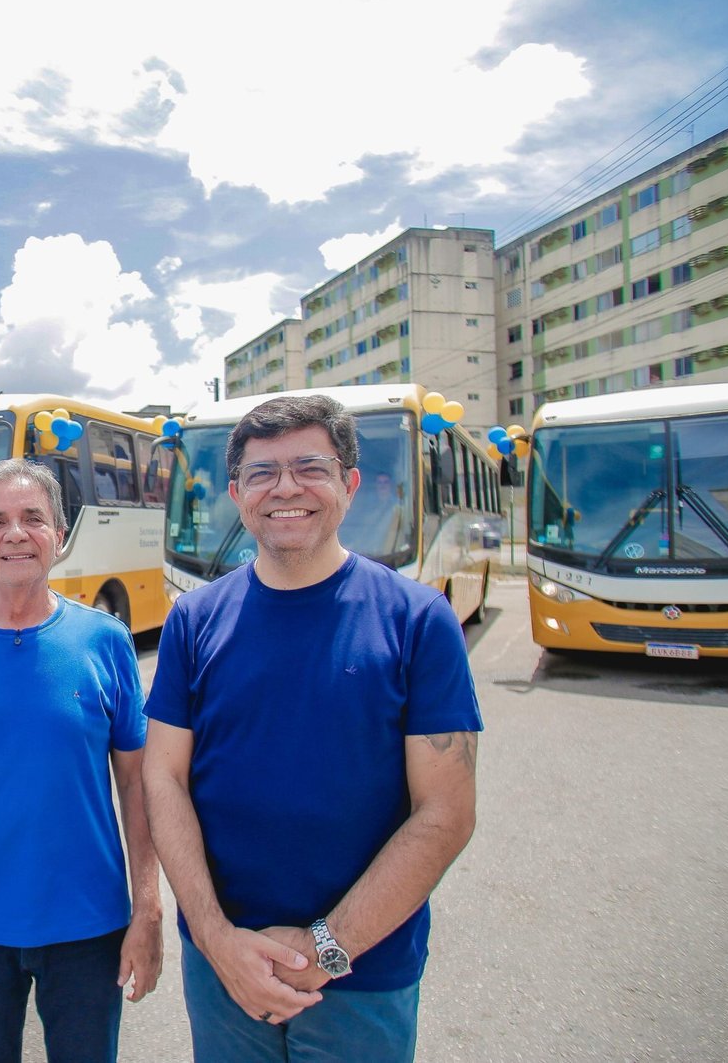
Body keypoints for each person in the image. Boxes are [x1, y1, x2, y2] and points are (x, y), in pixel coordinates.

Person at [142, 394, 481, 1062]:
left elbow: (446, 811)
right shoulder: (194, 620)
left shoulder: (418, 620)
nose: (286, 487)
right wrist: (215, 939)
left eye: (310, 467)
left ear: (349, 485)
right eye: (263, 473)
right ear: (237, 494)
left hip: (364, 976)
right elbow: (164, 776)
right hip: (223, 971)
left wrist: (329, 947)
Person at [0, 457, 163, 1063]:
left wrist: (147, 907)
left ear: (59, 537)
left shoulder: (105, 641)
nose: (15, 533)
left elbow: (138, 785)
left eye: (33, 518)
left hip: (89, 926)